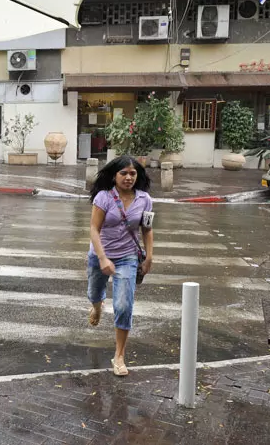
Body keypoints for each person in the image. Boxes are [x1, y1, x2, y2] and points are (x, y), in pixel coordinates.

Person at [87, 156, 154, 377]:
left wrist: (149, 256)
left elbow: (147, 229)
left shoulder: (145, 199)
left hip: (127, 256)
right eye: (123, 173)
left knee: (124, 305)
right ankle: (97, 306)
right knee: (94, 293)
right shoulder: (103, 198)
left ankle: (119, 356)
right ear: (114, 176)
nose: (128, 177)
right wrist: (103, 258)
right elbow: (94, 230)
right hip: (100, 254)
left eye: (133, 174)